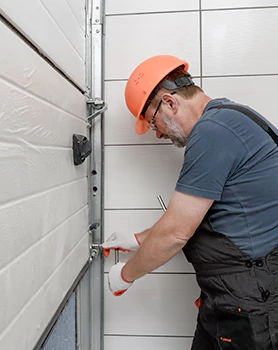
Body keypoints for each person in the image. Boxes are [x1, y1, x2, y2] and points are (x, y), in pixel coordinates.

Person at [102, 55, 278, 349]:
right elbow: (197, 216)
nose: (157, 133)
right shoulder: (231, 117)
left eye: (153, 122)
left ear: (170, 103)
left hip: (248, 301)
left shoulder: (213, 133)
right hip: (236, 295)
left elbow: (175, 233)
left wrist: (125, 275)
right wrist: (136, 240)